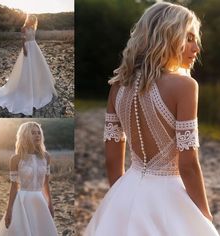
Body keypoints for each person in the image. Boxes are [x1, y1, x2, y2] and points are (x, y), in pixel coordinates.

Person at [84, 2, 219, 236]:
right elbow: (187, 164)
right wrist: (203, 213)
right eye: (188, 38)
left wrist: (119, 200)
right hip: (167, 193)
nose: (196, 47)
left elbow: (112, 155)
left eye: (195, 39)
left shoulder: (118, 86)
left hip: (126, 188)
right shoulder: (185, 86)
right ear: (166, 36)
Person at [0, 122, 58, 236]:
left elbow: (46, 183)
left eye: (39, 133)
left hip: (39, 200)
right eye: (33, 133)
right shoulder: (16, 159)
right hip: (22, 201)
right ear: (25, 135)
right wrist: (9, 210)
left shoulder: (46, 156)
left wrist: (50, 204)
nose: (37, 135)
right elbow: (14, 187)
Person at [0, 15, 57, 116]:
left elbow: (33, 38)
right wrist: (25, 49)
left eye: (34, 20)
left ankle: (38, 84)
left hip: (34, 47)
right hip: (27, 47)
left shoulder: (32, 28)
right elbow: (23, 40)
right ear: (28, 19)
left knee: (38, 67)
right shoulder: (24, 28)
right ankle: (25, 85)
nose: (32, 21)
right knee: (26, 67)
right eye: (31, 19)